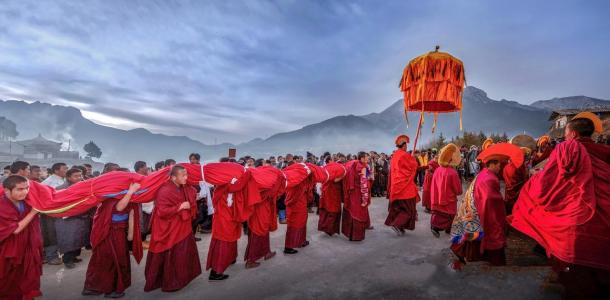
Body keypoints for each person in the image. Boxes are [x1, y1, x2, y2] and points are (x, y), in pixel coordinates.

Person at [510, 114, 610, 299]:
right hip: (605, 211)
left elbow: (547, 181)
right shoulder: (605, 151)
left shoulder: (565, 149)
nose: (564, 136)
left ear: (572, 133)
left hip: (575, 214)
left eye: (565, 132)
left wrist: (531, 185)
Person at [144, 165, 201, 292]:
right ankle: (170, 282)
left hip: (181, 226)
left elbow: (190, 192)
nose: (186, 178)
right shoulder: (165, 190)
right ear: (173, 177)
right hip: (168, 227)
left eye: (187, 175)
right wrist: (180, 207)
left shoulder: (181, 186)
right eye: (183, 175)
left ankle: (182, 278)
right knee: (172, 253)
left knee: (182, 253)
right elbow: (162, 211)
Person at [82, 182, 142, 298]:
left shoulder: (128, 198)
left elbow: (132, 215)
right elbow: (119, 207)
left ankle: (95, 287)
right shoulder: (111, 199)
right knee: (110, 260)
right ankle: (109, 289)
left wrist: (130, 235)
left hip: (119, 232)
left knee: (114, 259)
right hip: (109, 233)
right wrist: (130, 191)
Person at [451, 157, 506, 266]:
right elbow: (490, 199)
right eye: (499, 165)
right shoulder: (490, 179)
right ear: (492, 164)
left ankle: (461, 251)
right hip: (479, 209)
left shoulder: (483, 173)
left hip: (471, 206)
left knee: (472, 233)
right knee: (491, 233)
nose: (500, 168)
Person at [207, 168, 257, 279]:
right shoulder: (225, 184)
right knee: (223, 243)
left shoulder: (225, 183)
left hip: (228, 217)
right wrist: (248, 172)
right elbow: (238, 186)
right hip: (223, 219)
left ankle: (229, 259)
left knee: (230, 240)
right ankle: (215, 272)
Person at [0, 175, 42, 299]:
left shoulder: (27, 201)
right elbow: (16, 229)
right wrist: (33, 212)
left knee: (28, 278)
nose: (24, 192)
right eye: (19, 189)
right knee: (9, 284)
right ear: (7, 190)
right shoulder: (2, 206)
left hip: (27, 248)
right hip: (8, 251)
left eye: (26, 188)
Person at [245, 166, 284, 269]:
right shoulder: (264, 184)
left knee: (262, 231)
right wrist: (279, 181)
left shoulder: (259, 182)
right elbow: (273, 193)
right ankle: (251, 260)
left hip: (257, 208)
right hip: (261, 210)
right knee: (259, 232)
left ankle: (266, 252)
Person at [385, 135, 419, 235]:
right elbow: (413, 166)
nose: (407, 147)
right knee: (408, 210)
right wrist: (413, 159)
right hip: (405, 188)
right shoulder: (404, 155)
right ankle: (397, 224)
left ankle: (400, 227)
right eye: (406, 145)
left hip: (396, 185)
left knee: (398, 208)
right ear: (403, 146)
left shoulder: (395, 155)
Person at [55, 168, 87, 269]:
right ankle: (67, 260)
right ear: (68, 177)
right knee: (69, 239)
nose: (79, 178)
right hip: (67, 219)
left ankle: (74, 257)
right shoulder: (61, 188)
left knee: (78, 238)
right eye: (76, 176)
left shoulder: (83, 186)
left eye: (80, 175)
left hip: (80, 217)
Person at [430, 144, 462, 237]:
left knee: (439, 215)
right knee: (449, 216)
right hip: (449, 200)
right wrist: (459, 191)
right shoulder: (452, 172)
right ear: (450, 159)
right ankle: (444, 228)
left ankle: (435, 226)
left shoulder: (438, 170)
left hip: (437, 198)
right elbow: (458, 190)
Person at [283, 163, 314, 254]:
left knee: (302, 224)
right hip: (295, 206)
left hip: (301, 205)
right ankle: (288, 247)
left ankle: (301, 241)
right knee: (294, 226)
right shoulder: (297, 181)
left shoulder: (301, 180)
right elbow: (294, 195)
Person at [340, 152, 371, 241]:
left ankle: (350, 234)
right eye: (366, 158)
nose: (367, 159)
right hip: (359, 194)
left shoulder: (353, 165)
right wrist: (365, 199)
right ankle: (356, 236)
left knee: (352, 212)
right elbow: (364, 185)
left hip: (352, 193)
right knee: (359, 213)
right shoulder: (363, 168)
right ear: (361, 158)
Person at [41, 162, 67, 265]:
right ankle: (51, 257)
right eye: (64, 169)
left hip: (58, 211)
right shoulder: (48, 182)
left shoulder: (62, 180)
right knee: (50, 234)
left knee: (57, 234)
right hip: (49, 213)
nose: (66, 170)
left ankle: (53, 255)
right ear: (56, 170)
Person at [318, 162, 345, 236]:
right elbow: (335, 180)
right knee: (333, 210)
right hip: (333, 193)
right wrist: (343, 175)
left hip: (327, 192)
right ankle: (329, 229)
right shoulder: (334, 173)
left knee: (327, 210)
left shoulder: (326, 171)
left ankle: (326, 228)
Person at [502, 148, 529, 215]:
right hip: (517, 194)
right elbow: (525, 180)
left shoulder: (506, 167)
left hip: (508, 192)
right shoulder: (519, 167)